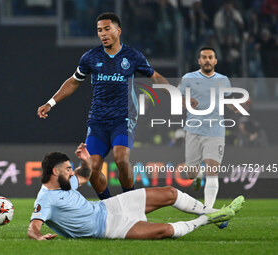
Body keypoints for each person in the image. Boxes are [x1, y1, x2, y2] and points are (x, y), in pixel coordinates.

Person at [37, 12, 169, 200]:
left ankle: (130, 204)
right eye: (99, 30)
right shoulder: (91, 57)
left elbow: (155, 77)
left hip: (123, 118)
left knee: (121, 160)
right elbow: (74, 81)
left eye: (107, 29)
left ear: (118, 30)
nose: (103, 33)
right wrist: (51, 102)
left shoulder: (132, 56)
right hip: (98, 121)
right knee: (92, 168)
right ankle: (109, 207)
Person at [27, 143, 244, 240]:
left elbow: (84, 175)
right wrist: (38, 238)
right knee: (166, 231)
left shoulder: (66, 182)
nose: (71, 173)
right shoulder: (46, 199)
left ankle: (214, 213)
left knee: (170, 192)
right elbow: (33, 228)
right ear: (55, 172)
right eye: (67, 169)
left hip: (110, 206)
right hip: (109, 227)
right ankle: (209, 218)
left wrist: (85, 161)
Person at [178, 47, 241, 228]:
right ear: (199, 61)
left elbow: (227, 101)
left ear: (215, 61)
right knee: (191, 173)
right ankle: (197, 177)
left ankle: (209, 214)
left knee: (212, 170)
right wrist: (185, 102)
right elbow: (177, 98)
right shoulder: (189, 78)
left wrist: (234, 107)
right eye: (204, 57)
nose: (207, 60)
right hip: (193, 131)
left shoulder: (223, 80)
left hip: (215, 133)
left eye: (210, 57)